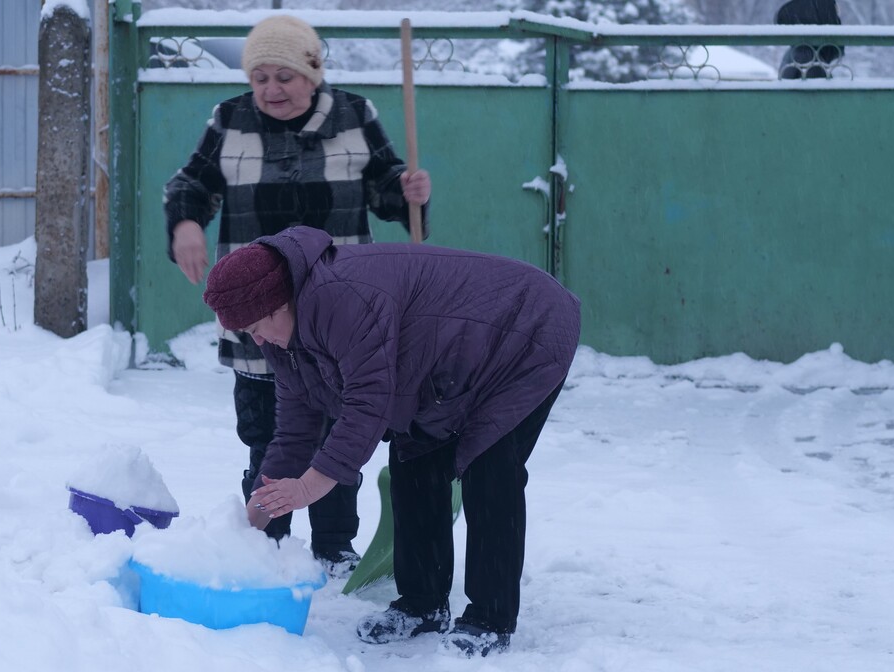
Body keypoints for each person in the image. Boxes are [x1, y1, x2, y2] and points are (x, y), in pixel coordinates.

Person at [201, 226, 581, 658]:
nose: (257, 340)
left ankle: (489, 619)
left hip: (524, 329)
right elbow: (293, 432)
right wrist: (250, 520)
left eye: (254, 327)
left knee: (489, 467)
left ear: (276, 303)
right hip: (441, 368)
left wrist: (308, 488)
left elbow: (367, 404)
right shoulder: (282, 341)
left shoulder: (343, 298)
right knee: (413, 458)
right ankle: (422, 605)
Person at [163, 14, 432, 576]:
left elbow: (388, 193)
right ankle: (267, 542)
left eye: (283, 76)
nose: (270, 90)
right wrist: (186, 222)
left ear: (313, 73)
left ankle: (334, 545)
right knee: (267, 432)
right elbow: (192, 183)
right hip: (260, 321)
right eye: (259, 77)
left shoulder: (355, 116)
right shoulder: (230, 118)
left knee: (338, 432)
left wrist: (407, 189)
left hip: (342, 318)